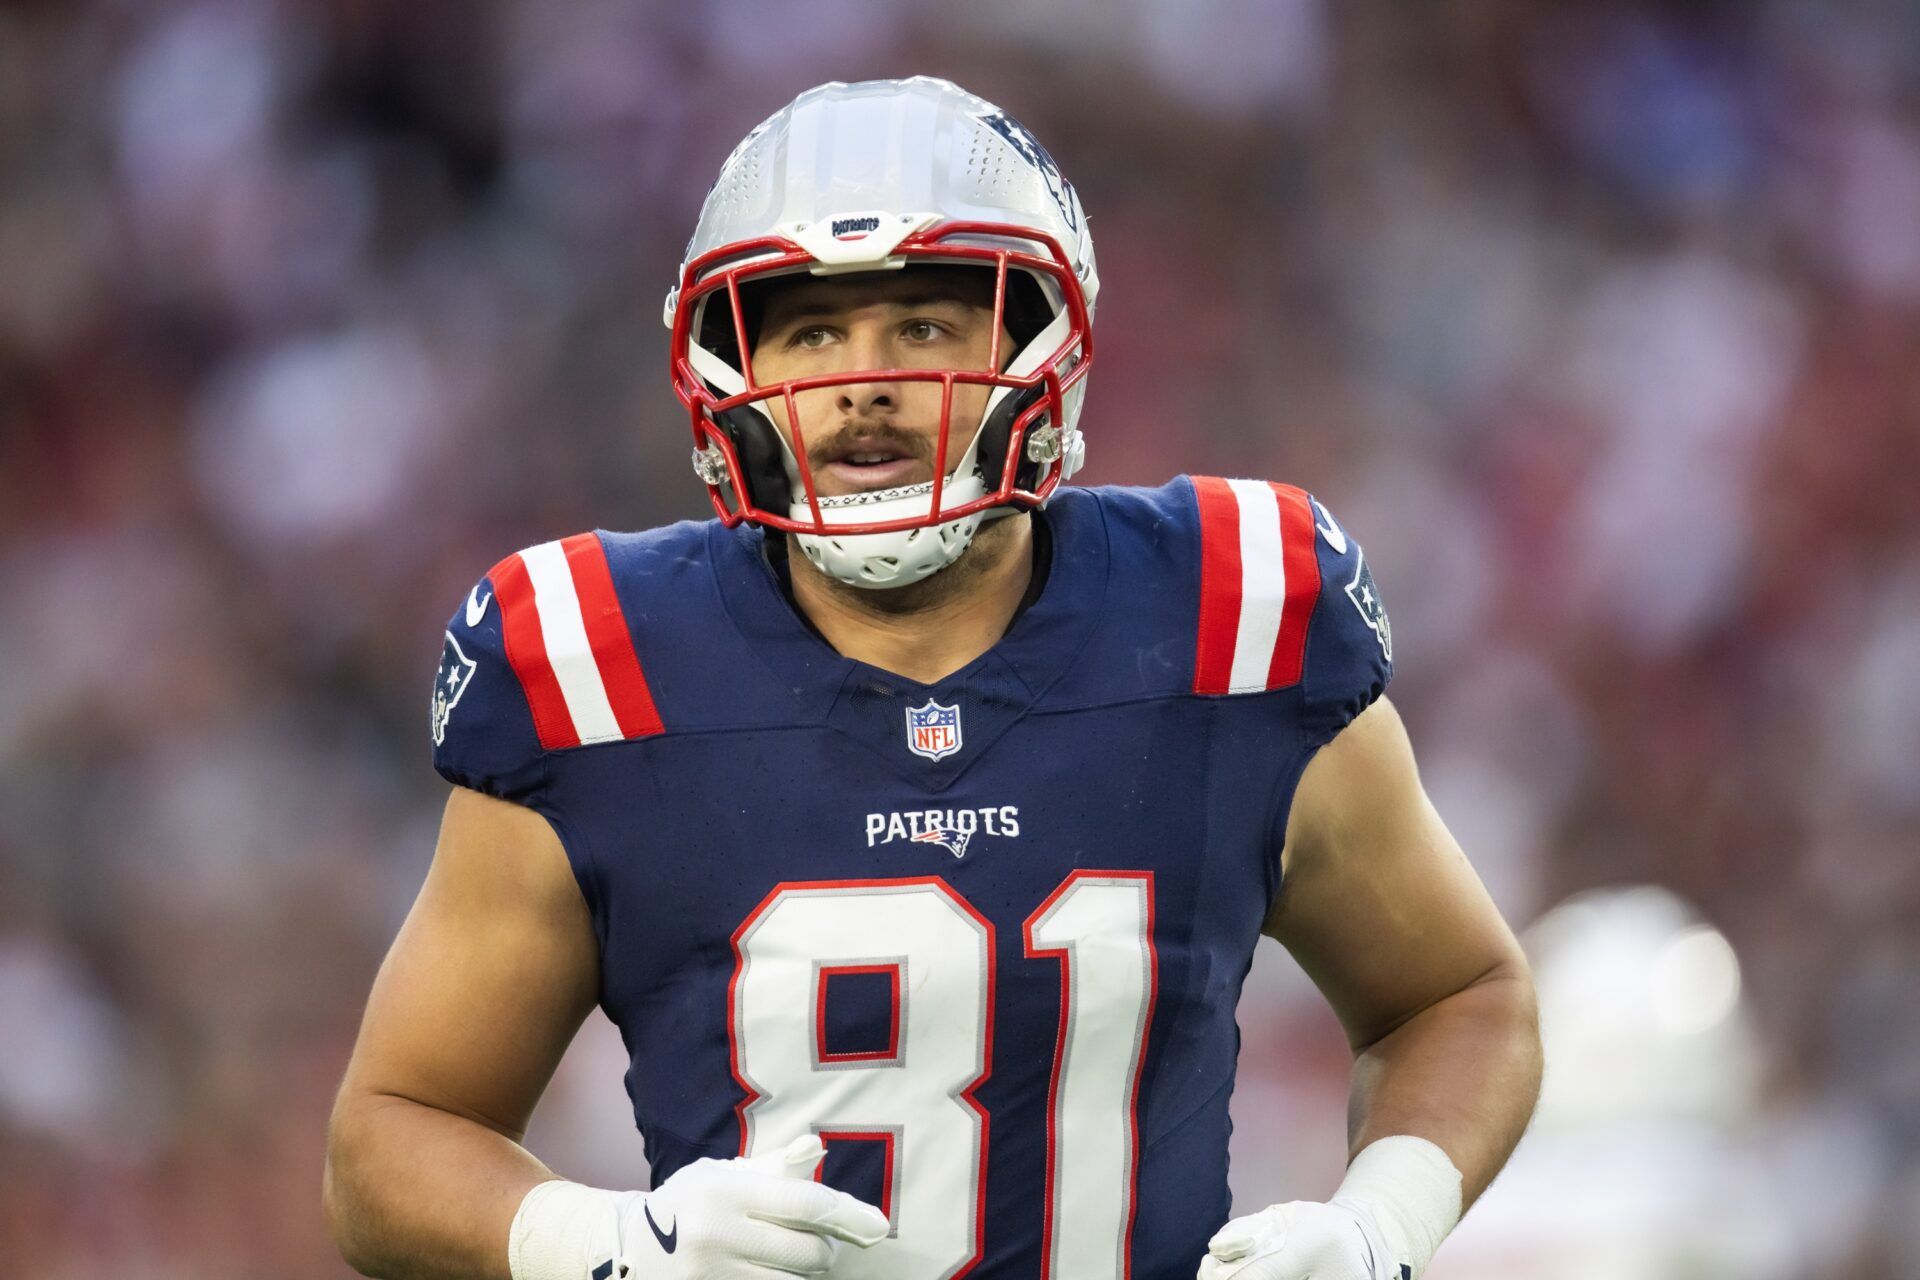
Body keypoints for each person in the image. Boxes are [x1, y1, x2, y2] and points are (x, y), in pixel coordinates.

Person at [324, 76, 1541, 1280]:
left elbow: (1460, 993)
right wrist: (605, 1242)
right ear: (724, 372)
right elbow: (390, 1136)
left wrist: (1381, 1222)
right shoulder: (592, 662)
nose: (865, 380)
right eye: (810, 331)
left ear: (1038, 347)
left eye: (924, 324)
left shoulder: (1236, 614)